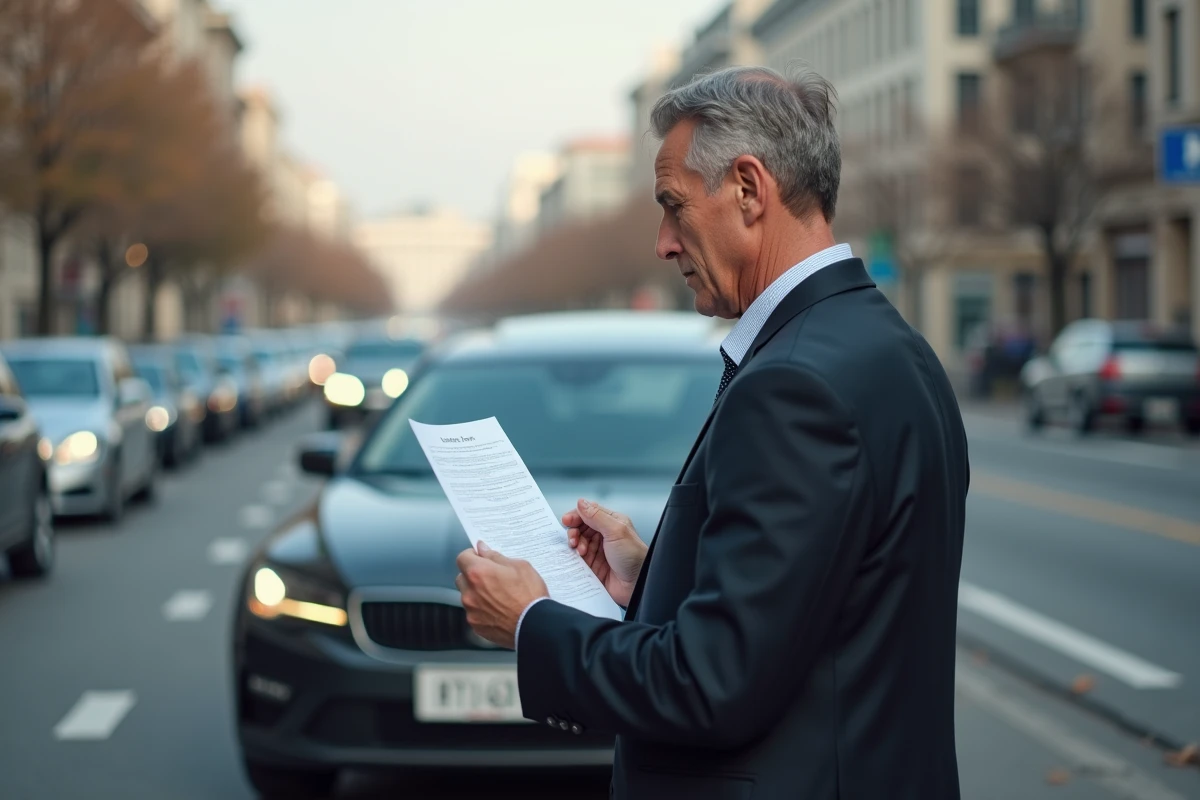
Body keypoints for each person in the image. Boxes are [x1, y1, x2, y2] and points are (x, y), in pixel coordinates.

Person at [454, 65, 969, 800]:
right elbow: (827, 611)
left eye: (673, 206)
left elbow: (710, 685)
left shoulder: (792, 386)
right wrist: (654, 574)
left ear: (750, 190)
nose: (664, 243)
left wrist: (532, 620)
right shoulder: (891, 348)